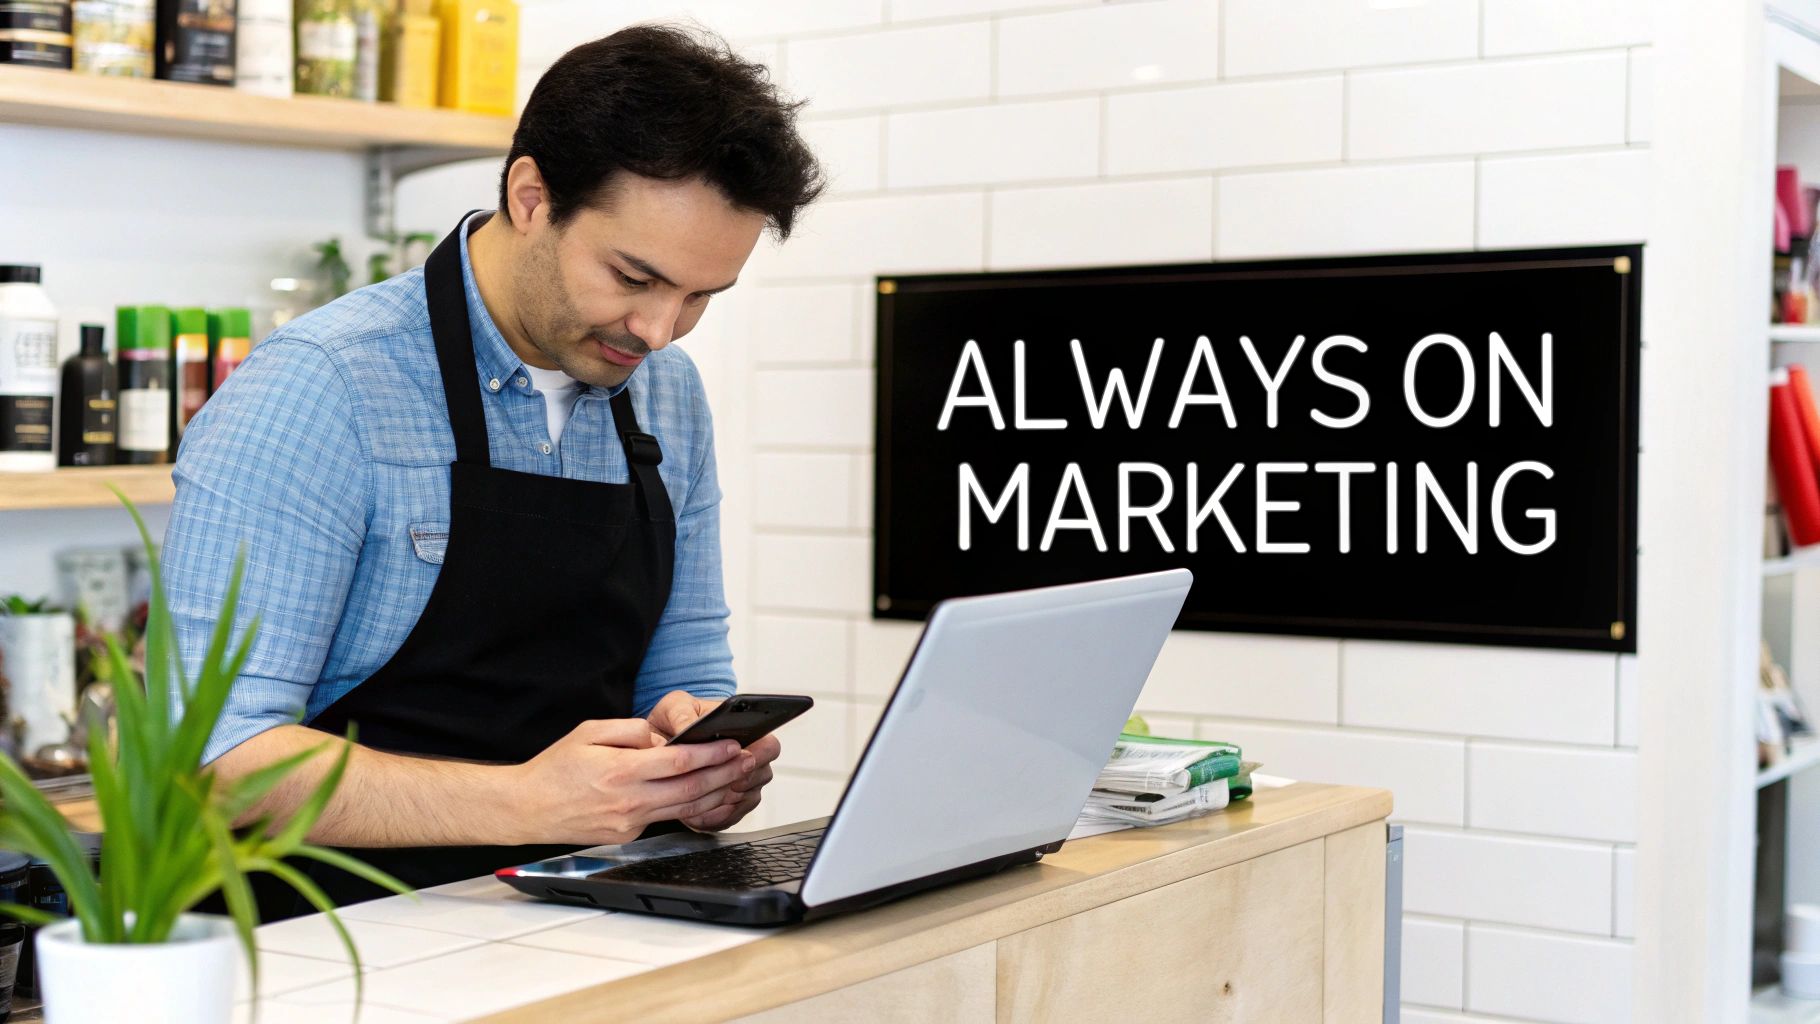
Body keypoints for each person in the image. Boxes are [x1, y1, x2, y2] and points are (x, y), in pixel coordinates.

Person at [161, 24, 825, 911]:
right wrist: (526, 799)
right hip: (339, 937)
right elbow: (215, 761)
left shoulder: (666, 395)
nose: (660, 331)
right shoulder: (322, 389)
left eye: (701, 296)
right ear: (529, 195)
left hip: (590, 917)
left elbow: (687, 666)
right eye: (634, 276)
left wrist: (702, 762)